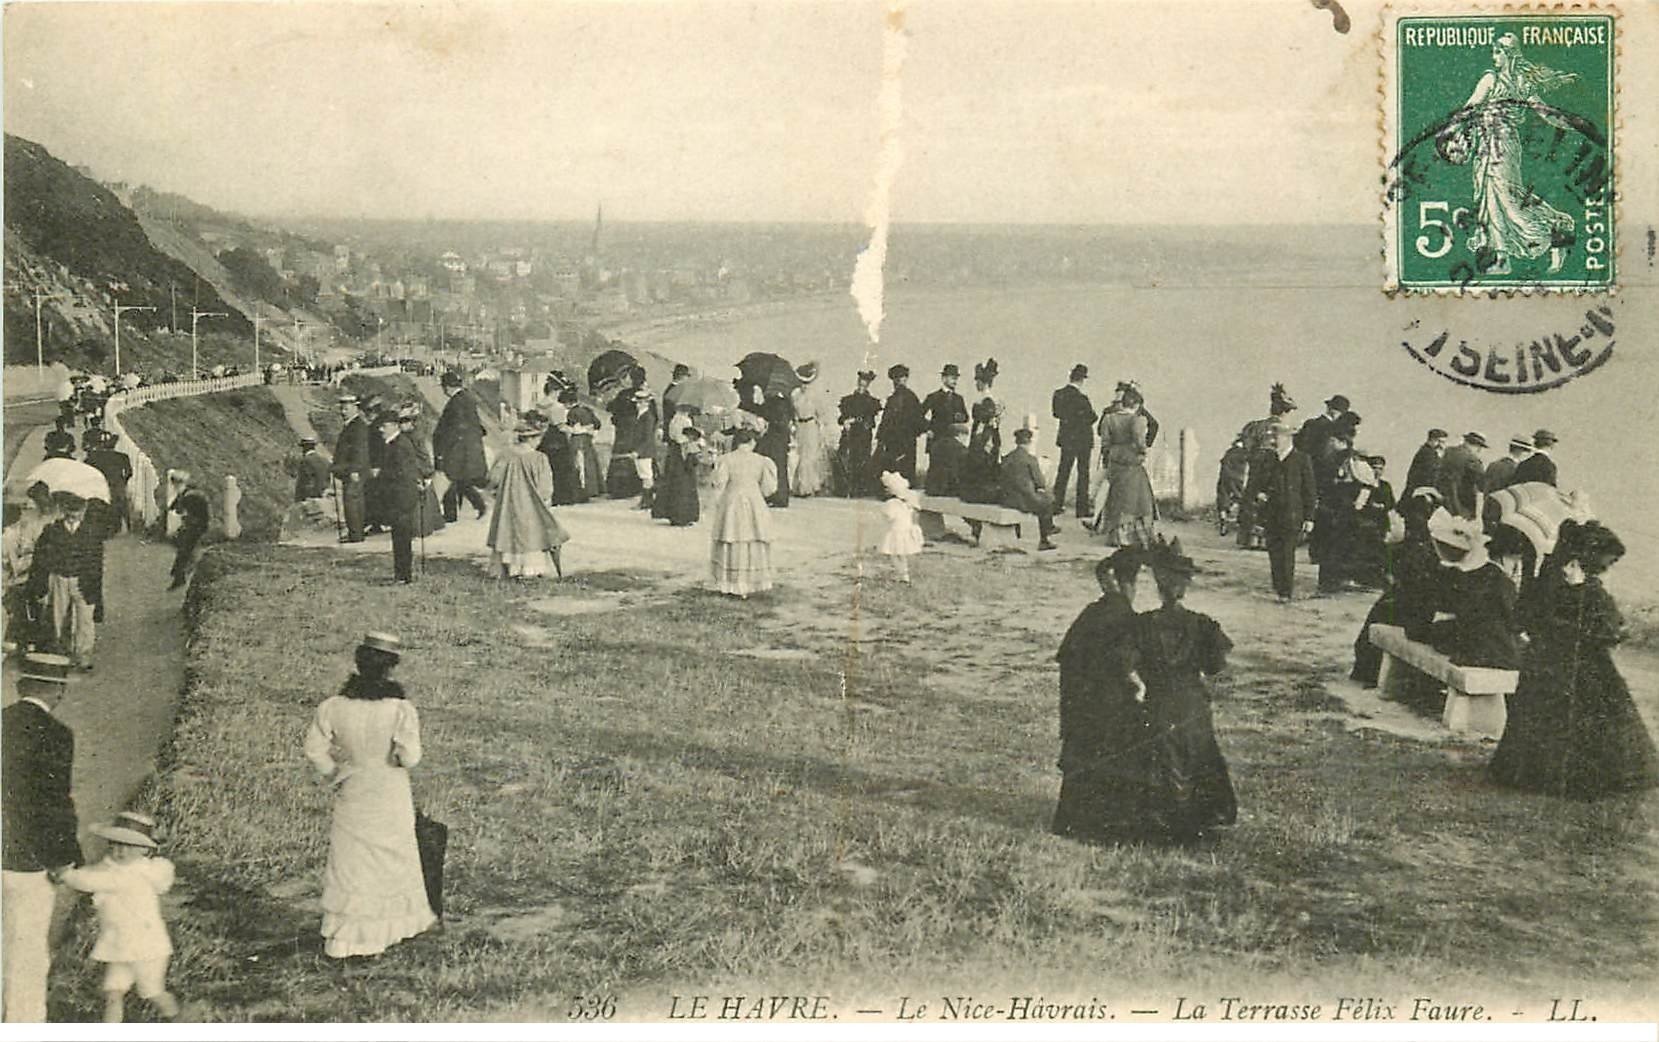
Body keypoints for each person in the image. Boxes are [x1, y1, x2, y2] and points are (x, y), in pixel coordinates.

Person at [1489, 522, 1659, 798]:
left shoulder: (1592, 592)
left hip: (1580, 664)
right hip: (1551, 661)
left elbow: (1611, 631)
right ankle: (1538, 772)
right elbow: (1531, 618)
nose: (1566, 569)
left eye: (1572, 565)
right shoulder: (1558, 581)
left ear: (1582, 565)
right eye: (1567, 565)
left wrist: (1577, 619)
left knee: (1587, 715)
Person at [303, 634, 437, 959]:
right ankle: (385, 932)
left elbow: (314, 751)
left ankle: (345, 938)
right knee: (390, 859)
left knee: (352, 861)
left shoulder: (333, 707)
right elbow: (410, 757)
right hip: (389, 790)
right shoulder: (400, 710)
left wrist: (335, 771)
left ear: (358, 663)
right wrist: (394, 757)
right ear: (390, 668)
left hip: (353, 787)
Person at [1123, 537, 1237, 844]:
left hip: (1159, 702)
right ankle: (1196, 822)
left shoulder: (1142, 625)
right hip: (1192, 704)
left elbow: (1128, 664)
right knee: (1197, 757)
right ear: (1184, 587)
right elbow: (1216, 667)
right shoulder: (1203, 626)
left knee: (1159, 758)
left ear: (1158, 585)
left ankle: (1161, 823)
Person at [1450, 32, 1576, 275]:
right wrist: (1455, 128)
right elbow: (1469, 107)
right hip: (1487, 147)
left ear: (1509, 55)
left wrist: (1571, 123)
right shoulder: (1491, 79)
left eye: (1498, 51)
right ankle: (1503, 259)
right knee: (1493, 199)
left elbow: (1546, 112)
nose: (1493, 56)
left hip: (1504, 147)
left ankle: (1557, 232)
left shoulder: (1519, 83)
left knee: (1507, 201)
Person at [2, 653, 83, 1023]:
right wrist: (64, 857)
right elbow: (53, 803)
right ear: (59, 690)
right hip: (27, 863)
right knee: (28, 952)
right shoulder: (56, 735)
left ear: (21, 685)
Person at [1053, 548, 1146, 842]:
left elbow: (1066, 656)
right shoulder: (1125, 616)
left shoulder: (1092, 611)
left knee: (1081, 758)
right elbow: (1125, 663)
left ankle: (1070, 821)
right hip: (1106, 704)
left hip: (1078, 700)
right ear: (1128, 583)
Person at [57, 812, 180, 1023]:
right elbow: (94, 872)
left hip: (146, 949)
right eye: (115, 844)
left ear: (143, 849)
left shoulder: (133, 873)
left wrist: (66, 874)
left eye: (129, 846)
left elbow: (89, 881)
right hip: (121, 945)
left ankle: (178, 1018)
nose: (120, 851)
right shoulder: (113, 868)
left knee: (152, 992)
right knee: (113, 993)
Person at [1351, 488, 1443, 686]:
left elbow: (1404, 579)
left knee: (1381, 616)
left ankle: (1369, 671)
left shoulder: (1415, 544)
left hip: (1410, 604)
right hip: (1416, 604)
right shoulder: (1428, 541)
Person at [1427, 511, 1519, 670]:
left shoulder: (1458, 571)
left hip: (1453, 637)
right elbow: (1513, 618)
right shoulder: (1499, 579)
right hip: (1482, 644)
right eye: (1515, 560)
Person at [28, 492, 104, 668]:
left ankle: (83, 655)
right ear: (63, 509)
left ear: (84, 510)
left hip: (83, 580)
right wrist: (41, 583)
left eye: (77, 509)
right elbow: (41, 557)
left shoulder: (91, 532)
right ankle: (60, 651)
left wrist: (95, 589)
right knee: (58, 616)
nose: (73, 514)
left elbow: (96, 563)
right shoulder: (52, 530)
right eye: (70, 509)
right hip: (59, 578)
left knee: (85, 619)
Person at [486, 424, 568, 579]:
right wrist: (546, 500)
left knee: (508, 531)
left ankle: (506, 568)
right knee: (531, 533)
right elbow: (545, 487)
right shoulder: (538, 458)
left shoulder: (506, 455)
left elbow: (493, 478)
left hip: (507, 503)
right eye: (538, 439)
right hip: (530, 502)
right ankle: (529, 569)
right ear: (531, 438)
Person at [707, 429, 776, 597]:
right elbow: (769, 489)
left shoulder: (726, 459)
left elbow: (718, 483)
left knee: (732, 537)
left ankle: (730, 583)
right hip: (754, 502)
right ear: (751, 442)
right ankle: (750, 583)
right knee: (752, 538)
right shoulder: (762, 461)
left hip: (732, 502)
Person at [1253, 422, 1316, 603]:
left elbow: (1309, 490)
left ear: (1288, 438)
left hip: (1292, 514)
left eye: (1277, 437)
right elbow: (1258, 484)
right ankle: (1278, 586)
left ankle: (1285, 591)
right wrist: (1260, 494)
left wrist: (1309, 517)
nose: (1273, 440)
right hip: (1271, 514)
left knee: (1287, 553)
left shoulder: (1302, 459)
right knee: (1274, 552)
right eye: (1272, 437)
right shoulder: (1268, 460)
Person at [1092, 382, 1158, 547]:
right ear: (1136, 405)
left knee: (1115, 498)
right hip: (1132, 461)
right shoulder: (1138, 420)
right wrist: (1143, 452)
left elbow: (1105, 442)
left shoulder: (1109, 418)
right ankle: (1135, 536)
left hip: (1115, 460)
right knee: (1137, 500)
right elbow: (1139, 440)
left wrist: (1111, 454)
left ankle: (1114, 536)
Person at [1233, 383, 1298, 548]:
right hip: (1275, 468)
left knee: (1253, 498)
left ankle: (1250, 538)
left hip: (1257, 468)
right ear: (1285, 412)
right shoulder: (1286, 430)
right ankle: (1267, 538)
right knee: (1273, 499)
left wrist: (1253, 458)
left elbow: (1244, 447)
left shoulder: (1255, 427)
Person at [377, 410, 433, 585]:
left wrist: (381, 475)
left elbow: (400, 473)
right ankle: (401, 574)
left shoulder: (399, 445)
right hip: (400, 496)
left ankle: (403, 576)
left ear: (394, 426)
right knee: (400, 537)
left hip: (401, 497)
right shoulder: (396, 443)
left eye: (384, 426)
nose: (380, 429)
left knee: (401, 538)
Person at [3, 484, 57, 652]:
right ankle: (30, 641)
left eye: (41, 499)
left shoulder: (57, 516)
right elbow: (27, 543)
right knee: (32, 603)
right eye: (37, 501)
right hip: (36, 566)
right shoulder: (32, 520)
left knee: (51, 605)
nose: (40, 503)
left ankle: (48, 641)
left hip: (53, 565)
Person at [432, 371, 489, 523]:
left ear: (448, 387)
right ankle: (479, 505)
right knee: (460, 480)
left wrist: (444, 449)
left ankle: (452, 515)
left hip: (457, 448)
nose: (443, 390)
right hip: (467, 448)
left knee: (451, 477)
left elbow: (454, 428)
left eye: (444, 387)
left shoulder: (456, 402)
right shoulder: (467, 398)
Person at [1051, 364, 1097, 520]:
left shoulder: (1058, 394)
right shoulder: (1082, 399)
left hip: (1066, 438)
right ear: (1082, 380)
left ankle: (1056, 504)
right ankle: (1081, 508)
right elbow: (1092, 417)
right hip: (1083, 439)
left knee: (1063, 470)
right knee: (1083, 473)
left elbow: (1056, 413)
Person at [1000, 427, 1058, 551]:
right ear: (1029, 442)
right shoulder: (1030, 459)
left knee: (1042, 498)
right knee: (1047, 501)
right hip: (1023, 500)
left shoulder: (1008, 457)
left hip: (1006, 498)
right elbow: (1040, 482)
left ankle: (1025, 533)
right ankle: (1044, 538)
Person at [1346, 453, 1396, 589]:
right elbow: (1358, 505)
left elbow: (1391, 503)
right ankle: (1362, 579)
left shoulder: (1385, 486)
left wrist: (1383, 507)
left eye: (1380, 468)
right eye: (1374, 468)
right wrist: (1371, 506)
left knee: (1380, 553)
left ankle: (1377, 580)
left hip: (1381, 524)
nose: (1377, 471)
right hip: (1365, 524)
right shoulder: (1363, 486)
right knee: (1364, 552)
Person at [653, 405, 706, 527]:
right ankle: (683, 516)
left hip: (674, 453)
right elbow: (682, 438)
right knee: (685, 483)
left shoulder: (674, 419)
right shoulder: (685, 420)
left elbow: (674, 436)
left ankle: (673, 514)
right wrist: (696, 439)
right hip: (683, 453)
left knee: (673, 482)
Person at [744, 385, 794, 510]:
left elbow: (768, 415)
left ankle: (778, 497)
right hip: (779, 439)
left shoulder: (776, 403)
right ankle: (777, 496)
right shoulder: (784, 402)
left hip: (776, 439)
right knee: (778, 467)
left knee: (776, 467)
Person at [330, 395, 371, 542]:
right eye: (341, 408)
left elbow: (360, 450)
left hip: (354, 471)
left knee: (352, 501)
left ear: (355, 408)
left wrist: (355, 470)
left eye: (346, 408)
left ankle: (356, 534)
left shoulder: (357, 427)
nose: (343, 412)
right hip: (350, 470)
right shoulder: (352, 425)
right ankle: (356, 532)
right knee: (354, 500)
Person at [875, 364, 925, 487]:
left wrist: (920, 429)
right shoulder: (892, 399)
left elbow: (918, 417)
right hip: (894, 438)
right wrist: (881, 437)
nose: (899, 381)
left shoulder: (910, 397)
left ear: (906, 379)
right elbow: (885, 419)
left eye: (902, 378)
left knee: (904, 466)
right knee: (893, 466)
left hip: (906, 438)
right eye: (896, 378)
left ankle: (903, 490)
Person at [789, 363, 834, 497]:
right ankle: (800, 485)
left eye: (806, 383)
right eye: (802, 382)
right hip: (799, 426)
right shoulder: (795, 395)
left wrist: (823, 429)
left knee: (809, 457)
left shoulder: (815, 395)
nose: (804, 385)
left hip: (811, 426)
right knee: (801, 456)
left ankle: (807, 487)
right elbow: (792, 411)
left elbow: (822, 413)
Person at [837, 370, 882, 498]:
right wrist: (845, 421)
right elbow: (841, 418)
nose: (863, 384)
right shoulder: (848, 400)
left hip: (863, 435)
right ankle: (847, 488)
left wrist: (857, 421)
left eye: (866, 382)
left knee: (862, 459)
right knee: (847, 459)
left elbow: (870, 421)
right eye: (861, 381)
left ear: (869, 384)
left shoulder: (872, 402)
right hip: (849, 434)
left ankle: (860, 488)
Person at [877, 471, 925, 583]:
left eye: (887, 488)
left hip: (896, 532)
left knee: (894, 555)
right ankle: (904, 573)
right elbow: (914, 515)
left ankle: (902, 574)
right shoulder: (908, 503)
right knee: (901, 554)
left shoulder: (891, 504)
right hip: (905, 531)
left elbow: (889, 517)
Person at [558, 388, 604, 503]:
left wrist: (568, 429)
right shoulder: (586, 409)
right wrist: (591, 433)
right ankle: (592, 490)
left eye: (564, 403)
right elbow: (598, 424)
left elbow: (573, 428)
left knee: (579, 464)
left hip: (577, 440)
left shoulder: (572, 413)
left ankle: (582, 491)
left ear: (568, 403)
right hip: (587, 440)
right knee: (589, 464)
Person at [166, 474, 210, 592]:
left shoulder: (189, 496)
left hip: (194, 526)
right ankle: (182, 572)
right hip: (197, 525)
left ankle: (180, 576)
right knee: (185, 548)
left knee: (184, 550)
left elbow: (176, 509)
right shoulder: (191, 494)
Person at [84, 431, 133, 537]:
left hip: (100, 484)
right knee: (120, 504)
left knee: (101, 504)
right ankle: (125, 527)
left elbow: (86, 468)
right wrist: (122, 481)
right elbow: (129, 472)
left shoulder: (94, 456)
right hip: (117, 484)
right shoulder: (122, 456)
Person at [920, 364, 969, 458]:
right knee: (936, 470)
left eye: (956, 379)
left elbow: (966, 417)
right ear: (944, 378)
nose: (955, 381)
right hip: (936, 440)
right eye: (952, 378)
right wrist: (928, 429)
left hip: (954, 443)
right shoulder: (933, 397)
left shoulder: (959, 399)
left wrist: (961, 417)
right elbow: (919, 415)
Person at [1436, 431, 1488, 519]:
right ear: (1477, 446)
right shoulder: (1472, 459)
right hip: (1461, 506)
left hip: (1441, 502)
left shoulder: (1448, 451)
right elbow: (1482, 484)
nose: (1479, 450)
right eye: (1479, 447)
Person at [923, 422, 971, 498]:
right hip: (949, 487)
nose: (966, 439)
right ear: (960, 434)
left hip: (931, 486)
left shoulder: (936, 444)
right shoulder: (961, 449)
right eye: (965, 436)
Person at [1404, 428, 1449, 505]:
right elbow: (1427, 478)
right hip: (1421, 496)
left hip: (1421, 494)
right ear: (1432, 440)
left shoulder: (1428, 452)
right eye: (1440, 442)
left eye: (1443, 442)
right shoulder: (1427, 454)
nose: (1442, 445)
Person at [292, 437, 331, 503]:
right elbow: (328, 478)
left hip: (309, 498)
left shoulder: (306, 460)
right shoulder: (325, 460)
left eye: (303, 447)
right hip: (324, 497)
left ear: (306, 448)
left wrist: (298, 499)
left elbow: (302, 481)